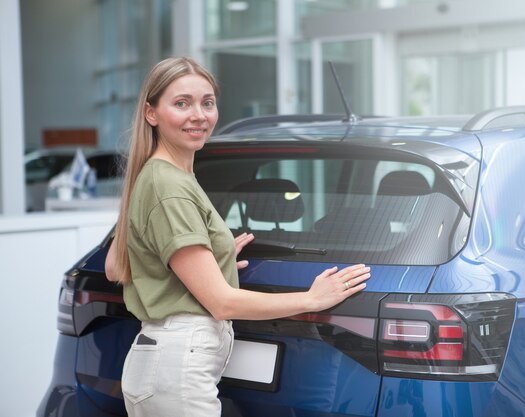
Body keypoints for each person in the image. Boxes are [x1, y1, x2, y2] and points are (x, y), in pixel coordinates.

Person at [104, 56, 371, 417]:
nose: (199, 115)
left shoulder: (164, 176)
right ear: (151, 113)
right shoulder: (168, 186)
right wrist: (311, 298)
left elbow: (114, 265)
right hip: (178, 369)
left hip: (169, 365)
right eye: (182, 103)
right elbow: (222, 303)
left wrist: (208, 255)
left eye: (207, 102)